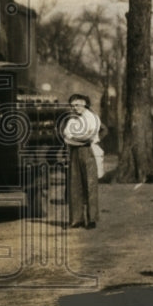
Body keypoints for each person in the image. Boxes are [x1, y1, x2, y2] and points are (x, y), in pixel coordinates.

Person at [62, 93, 106, 229]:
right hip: (74, 153)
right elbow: (66, 136)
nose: (75, 108)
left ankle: (91, 219)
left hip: (88, 151)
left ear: (84, 103)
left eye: (77, 105)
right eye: (72, 106)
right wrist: (75, 138)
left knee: (90, 185)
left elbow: (97, 132)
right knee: (75, 185)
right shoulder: (72, 120)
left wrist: (92, 140)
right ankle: (77, 219)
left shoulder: (92, 118)